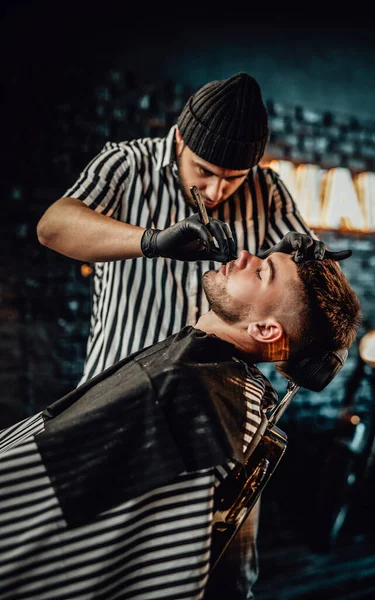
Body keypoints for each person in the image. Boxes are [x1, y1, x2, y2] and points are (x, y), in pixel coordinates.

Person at [35, 71, 352, 599]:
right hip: (125, 405)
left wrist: (306, 267)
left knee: (225, 567)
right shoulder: (127, 164)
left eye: (234, 177)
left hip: (217, 418)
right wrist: (152, 241)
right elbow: (53, 226)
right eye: (205, 172)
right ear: (180, 138)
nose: (217, 190)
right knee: (104, 565)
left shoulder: (267, 189)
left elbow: (302, 305)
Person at [0, 247, 361, 600]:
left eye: (262, 271)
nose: (249, 255)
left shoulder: (194, 392)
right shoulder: (229, 394)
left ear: (266, 331)